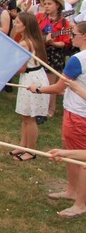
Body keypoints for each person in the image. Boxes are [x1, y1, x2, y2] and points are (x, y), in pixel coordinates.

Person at [27, 21, 86, 217]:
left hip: (78, 114)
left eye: (75, 34)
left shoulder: (77, 60)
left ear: (84, 36)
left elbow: (59, 87)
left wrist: (38, 89)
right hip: (77, 111)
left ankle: (80, 203)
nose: (71, 37)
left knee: (82, 158)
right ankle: (72, 191)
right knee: (72, 153)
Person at [7, 12, 49, 161]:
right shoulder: (31, 40)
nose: (15, 25)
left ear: (25, 26)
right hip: (33, 77)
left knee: (30, 117)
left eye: (18, 23)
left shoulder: (25, 43)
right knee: (25, 115)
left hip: (32, 79)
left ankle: (31, 151)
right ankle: (23, 145)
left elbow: (22, 68)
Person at [37, 0, 71, 117]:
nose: (46, 6)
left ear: (57, 5)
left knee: (52, 83)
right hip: (41, 50)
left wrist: (53, 42)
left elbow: (64, 43)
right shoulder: (39, 17)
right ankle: (40, 105)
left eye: (49, 4)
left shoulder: (63, 23)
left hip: (54, 53)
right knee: (40, 79)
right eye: (45, 3)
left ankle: (51, 108)